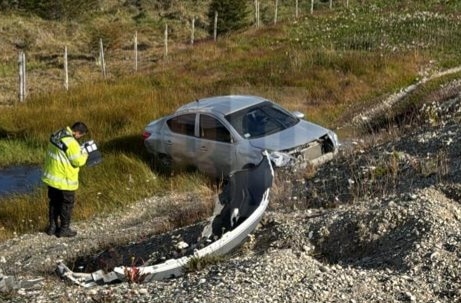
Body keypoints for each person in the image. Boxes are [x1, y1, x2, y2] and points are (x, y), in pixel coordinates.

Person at [42, 122, 89, 237]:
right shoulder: (72, 143)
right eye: (80, 136)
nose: (79, 138)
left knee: (54, 202)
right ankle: (64, 229)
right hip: (64, 179)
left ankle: (52, 227)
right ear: (77, 132)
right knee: (67, 204)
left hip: (51, 177)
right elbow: (78, 161)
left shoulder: (56, 133)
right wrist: (85, 153)